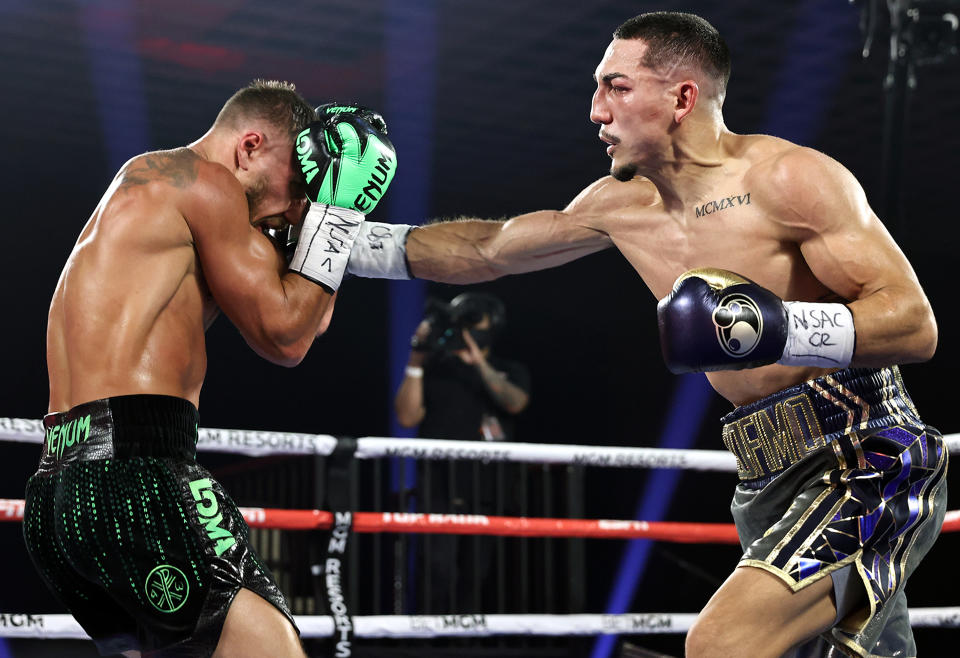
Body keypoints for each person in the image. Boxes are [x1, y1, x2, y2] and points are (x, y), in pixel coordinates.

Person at [342, 12, 948, 658]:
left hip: (865, 457)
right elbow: (489, 248)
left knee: (722, 644)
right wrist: (338, 244)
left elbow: (915, 323)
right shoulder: (617, 205)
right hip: (765, 476)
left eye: (617, 87)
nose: (596, 110)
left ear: (682, 97)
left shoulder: (786, 179)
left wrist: (774, 329)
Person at [24, 81, 396, 657]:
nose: (295, 204)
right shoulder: (209, 183)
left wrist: (322, 218)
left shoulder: (151, 190)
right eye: (295, 184)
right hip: (136, 474)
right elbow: (287, 336)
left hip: (58, 491)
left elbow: (308, 315)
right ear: (248, 147)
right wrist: (340, 212)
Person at [395, 292, 530, 612]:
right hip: (438, 487)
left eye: (473, 324)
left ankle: (467, 644)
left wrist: (477, 360)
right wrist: (416, 359)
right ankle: (428, 644)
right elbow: (406, 416)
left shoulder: (507, 369)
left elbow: (515, 402)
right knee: (436, 570)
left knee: (477, 575)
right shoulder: (436, 369)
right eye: (461, 324)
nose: (465, 331)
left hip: (488, 490)